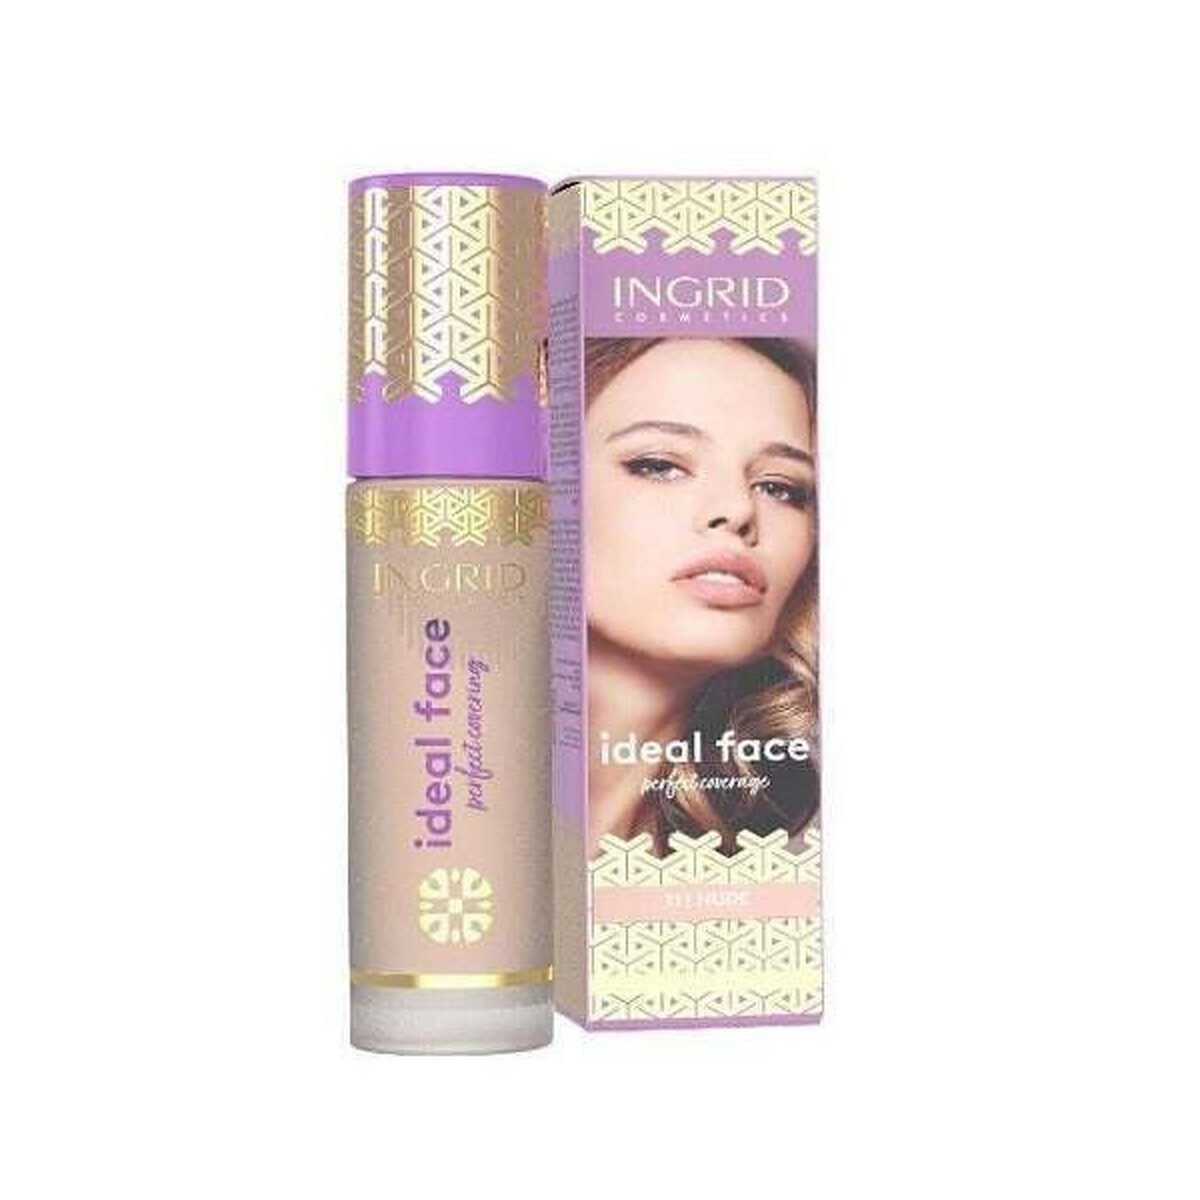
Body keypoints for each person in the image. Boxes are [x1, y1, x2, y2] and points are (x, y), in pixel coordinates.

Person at [585, 337, 820, 856]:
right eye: (658, 464)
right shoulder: (445, 789)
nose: (738, 509)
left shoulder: (742, 872)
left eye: (780, 487)